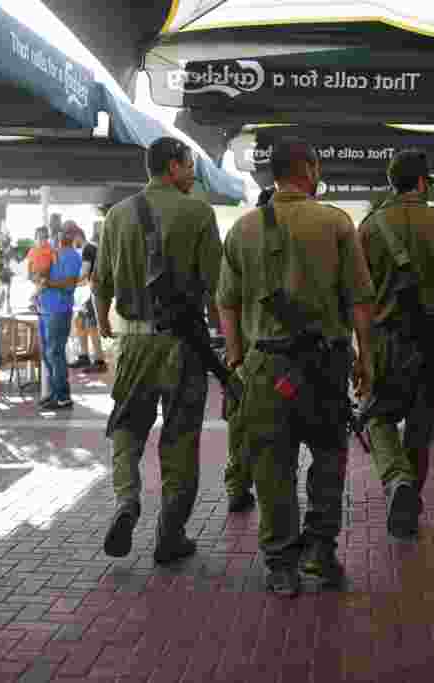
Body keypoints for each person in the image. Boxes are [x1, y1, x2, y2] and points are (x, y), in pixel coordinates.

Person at [217, 138, 374, 596]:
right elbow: (361, 300)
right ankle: (320, 555)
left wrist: (236, 359)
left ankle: (281, 564)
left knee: (271, 465)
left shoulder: (243, 229)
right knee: (328, 458)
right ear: (306, 169)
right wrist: (368, 356)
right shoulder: (336, 222)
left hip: (266, 367)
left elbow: (225, 303)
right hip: (325, 366)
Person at [95, 137, 222, 565]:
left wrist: (105, 331)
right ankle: (170, 534)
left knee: (128, 428)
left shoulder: (116, 215)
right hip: (184, 344)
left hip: (132, 340)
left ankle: (127, 501)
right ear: (172, 166)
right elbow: (216, 288)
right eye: (189, 166)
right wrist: (224, 340)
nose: (193, 173)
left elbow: (100, 287)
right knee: (180, 437)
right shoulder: (199, 213)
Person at [359, 148, 434, 538]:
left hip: (386, 342)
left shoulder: (370, 226)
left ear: (391, 183)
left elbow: (357, 294)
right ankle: (410, 499)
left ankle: (397, 480)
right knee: (419, 426)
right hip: (431, 343)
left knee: (377, 417)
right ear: (424, 182)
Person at [223, 187, 277, 513]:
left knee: (240, 425)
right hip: (285, 353)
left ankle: (237, 486)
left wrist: (234, 358)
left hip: (247, 351)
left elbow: (224, 299)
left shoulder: (239, 236)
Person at [37, 225, 83, 410]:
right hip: (47, 309)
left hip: (59, 309)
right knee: (48, 353)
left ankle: (63, 397)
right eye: (60, 230)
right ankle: (56, 393)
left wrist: (48, 283)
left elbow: (70, 284)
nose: (61, 234)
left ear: (72, 236)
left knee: (55, 353)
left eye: (67, 232)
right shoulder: (53, 253)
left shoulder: (72, 255)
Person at [66, 222, 107, 374]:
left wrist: (68, 284)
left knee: (91, 326)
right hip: (91, 290)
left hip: (93, 291)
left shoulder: (88, 249)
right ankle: (84, 356)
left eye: (71, 238)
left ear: (77, 236)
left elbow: (84, 274)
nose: (71, 243)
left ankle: (99, 360)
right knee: (79, 322)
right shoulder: (90, 247)